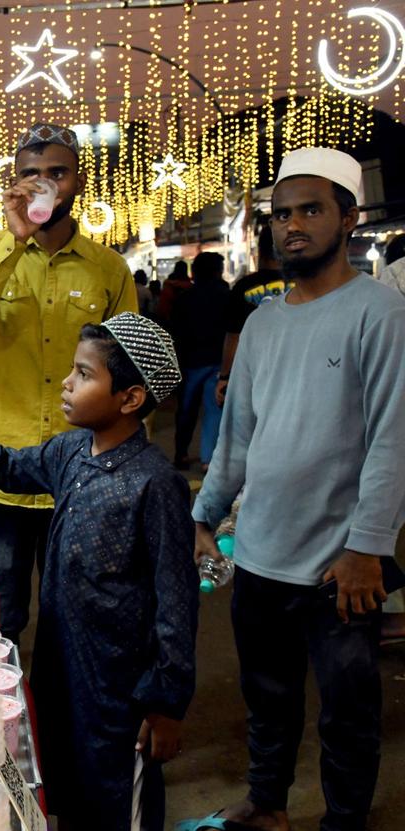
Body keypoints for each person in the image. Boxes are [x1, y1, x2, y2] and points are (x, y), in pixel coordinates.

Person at [186, 147, 405, 831]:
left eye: (311, 210)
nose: (294, 226)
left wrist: (367, 547)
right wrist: (204, 515)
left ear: (349, 217)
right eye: (282, 215)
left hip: (340, 565)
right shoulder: (262, 323)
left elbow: (393, 438)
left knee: (348, 708)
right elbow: (237, 437)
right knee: (267, 694)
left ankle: (344, 820)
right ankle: (269, 805)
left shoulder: (380, 312)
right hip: (259, 551)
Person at [0, 313, 197, 830]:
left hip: (121, 689)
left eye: (84, 374)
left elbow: (177, 602)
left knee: (117, 798)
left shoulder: (155, 484)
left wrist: (166, 703)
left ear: (130, 399)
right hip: (62, 667)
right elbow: (10, 465)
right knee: (66, 784)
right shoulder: (69, 451)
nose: (67, 383)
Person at [0, 123, 137, 643]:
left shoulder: (108, 268)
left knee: (74, 612)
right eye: (31, 174)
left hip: (79, 467)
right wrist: (13, 242)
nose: (44, 184)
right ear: (15, 182)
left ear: (79, 181)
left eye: (57, 173)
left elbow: (129, 368)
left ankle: (58, 696)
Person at [216, 225, 287, 406]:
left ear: (260, 250)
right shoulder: (305, 284)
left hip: (253, 373)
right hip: (295, 371)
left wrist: (225, 376)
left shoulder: (244, 286)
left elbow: (234, 335)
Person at [170, 252, 229, 471]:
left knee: (186, 410)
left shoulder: (184, 298)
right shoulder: (227, 297)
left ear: (194, 272)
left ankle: (181, 453)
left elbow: (175, 332)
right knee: (214, 410)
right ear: (218, 271)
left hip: (190, 362)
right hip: (218, 361)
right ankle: (207, 459)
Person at [157, 260, 192, 324]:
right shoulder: (189, 286)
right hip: (186, 319)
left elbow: (163, 305)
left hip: (169, 318)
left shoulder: (168, 285)